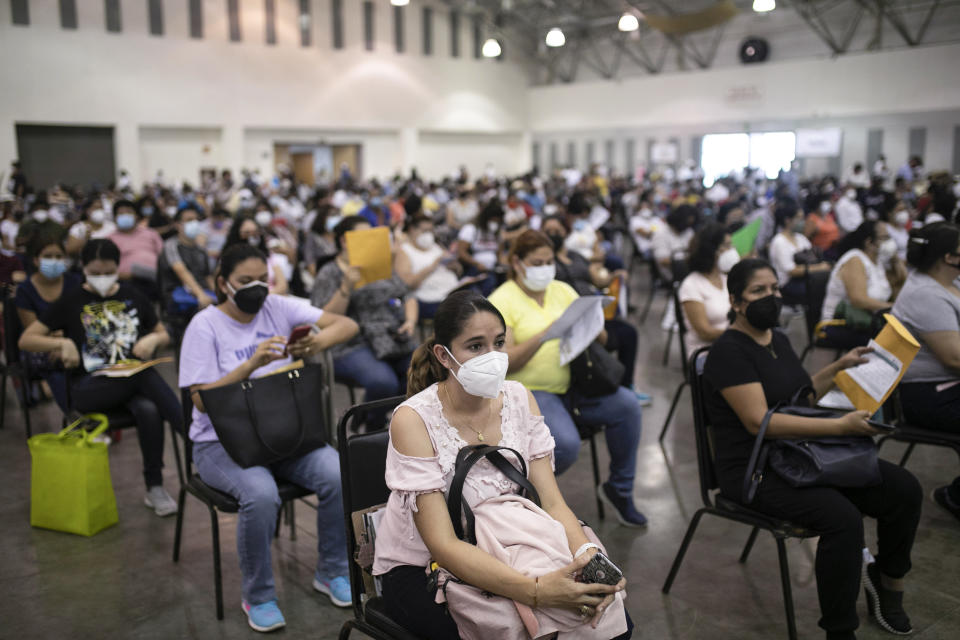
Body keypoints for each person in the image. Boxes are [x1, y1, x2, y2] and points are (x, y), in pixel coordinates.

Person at [373, 290, 631, 640]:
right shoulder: (413, 420)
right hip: (425, 563)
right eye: (476, 346)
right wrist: (536, 591)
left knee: (611, 619)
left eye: (498, 342)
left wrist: (588, 558)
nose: (493, 357)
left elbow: (552, 502)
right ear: (443, 356)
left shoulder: (519, 398)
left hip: (512, 538)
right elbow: (442, 544)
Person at [703, 258, 922, 640]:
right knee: (842, 519)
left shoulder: (778, 339)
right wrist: (838, 426)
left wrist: (839, 368)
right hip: (755, 470)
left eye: (774, 288)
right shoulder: (728, 352)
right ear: (736, 301)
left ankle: (887, 581)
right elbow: (760, 422)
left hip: (797, 454)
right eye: (759, 291)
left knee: (903, 488)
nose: (771, 297)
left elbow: (798, 395)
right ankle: (840, 631)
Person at [179, 243, 360, 632]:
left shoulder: (279, 307)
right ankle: (258, 595)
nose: (257, 287)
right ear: (223, 283)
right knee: (261, 495)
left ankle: (331, 572)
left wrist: (314, 343)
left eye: (263, 278)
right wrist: (251, 365)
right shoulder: (204, 326)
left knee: (335, 472)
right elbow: (199, 401)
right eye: (246, 281)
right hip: (219, 442)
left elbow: (346, 326)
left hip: (280, 432)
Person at [488, 230, 645, 527]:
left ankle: (619, 489)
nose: (545, 268)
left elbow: (599, 336)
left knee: (627, 407)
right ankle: (524, 496)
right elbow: (504, 362)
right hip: (533, 392)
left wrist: (593, 325)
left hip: (577, 382)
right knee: (566, 444)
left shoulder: (561, 289)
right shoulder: (501, 300)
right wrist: (546, 334)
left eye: (549, 261)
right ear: (518, 263)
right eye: (537, 262)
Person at [19, 239, 182, 517]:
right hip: (88, 388)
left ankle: (154, 487)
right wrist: (61, 344)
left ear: (118, 268)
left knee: (150, 408)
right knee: (143, 375)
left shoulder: (132, 295)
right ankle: (193, 433)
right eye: (96, 272)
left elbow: (163, 332)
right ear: (84, 269)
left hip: (131, 386)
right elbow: (27, 339)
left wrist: (154, 339)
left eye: (108, 272)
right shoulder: (71, 300)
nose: (102, 278)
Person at [311, 216, 419, 429]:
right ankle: (373, 425)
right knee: (383, 382)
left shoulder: (379, 266)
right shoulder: (330, 273)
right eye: (366, 235)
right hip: (351, 343)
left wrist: (410, 320)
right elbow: (324, 320)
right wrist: (346, 288)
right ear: (345, 241)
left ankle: (373, 414)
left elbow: (407, 294)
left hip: (389, 336)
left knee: (422, 371)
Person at [892, 222, 960, 522]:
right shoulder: (926, 294)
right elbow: (954, 357)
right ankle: (956, 498)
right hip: (925, 394)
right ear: (949, 257)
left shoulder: (950, 283)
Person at [542, 215, 647, 404]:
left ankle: (626, 384)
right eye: (548, 231)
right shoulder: (547, 264)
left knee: (629, 333)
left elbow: (597, 279)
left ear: (565, 231)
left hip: (594, 311)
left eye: (557, 230)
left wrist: (615, 275)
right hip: (572, 319)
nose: (554, 235)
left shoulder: (575, 256)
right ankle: (608, 383)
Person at [13, 227, 81, 409]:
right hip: (41, 346)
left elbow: (85, 317)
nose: (54, 261)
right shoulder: (26, 290)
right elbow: (32, 330)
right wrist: (58, 342)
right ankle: (75, 415)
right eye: (48, 256)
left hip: (74, 339)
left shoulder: (76, 282)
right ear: (35, 260)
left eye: (59, 256)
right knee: (56, 366)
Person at [821, 221, 904, 348]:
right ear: (869, 242)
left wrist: (897, 263)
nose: (889, 242)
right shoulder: (855, 259)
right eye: (885, 238)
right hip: (841, 323)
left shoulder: (878, 260)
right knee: (896, 342)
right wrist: (892, 308)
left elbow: (895, 288)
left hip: (866, 320)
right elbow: (858, 300)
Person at [678, 222, 738, 353]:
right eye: (727, 246)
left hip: (732, 345)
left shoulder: (726, 279)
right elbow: (705, 332)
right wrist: (741, 334)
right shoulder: (691, 285)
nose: (732, 250)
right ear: (712, 250)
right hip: (706, 352)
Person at [395, 213, 461, 320]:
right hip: (428, 299)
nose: (428, 235)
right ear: (412, 230)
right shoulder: (404, 251)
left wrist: (454, 266)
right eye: (425, 231)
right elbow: (407, 285)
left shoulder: (435, 247)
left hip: (451, 292)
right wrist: (433, 266)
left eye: (431, 231)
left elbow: (458, 270)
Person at [768, 200, 832, 304]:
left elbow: (813, 255)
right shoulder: (779, 242)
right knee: (821, 287)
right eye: (799, 218)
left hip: (805, 277)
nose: (803, 222)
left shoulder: (800, 237)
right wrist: (819, 268)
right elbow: (792, 271)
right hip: (788, 284)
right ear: (788, 220)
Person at [160, 205, 215, 313]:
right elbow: (181, 271)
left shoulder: (201, 249)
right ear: (178, 225)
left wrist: (219, 294)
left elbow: (208, 276)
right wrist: (200, 294)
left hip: (203, 292)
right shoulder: (171, 245)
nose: (194, 223)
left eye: (196, 220)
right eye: (189, 220)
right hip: (179, 294)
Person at [108, 199, 164, 300]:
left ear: (136, 216)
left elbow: (163, 256)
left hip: (154, 279)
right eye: (121, 213)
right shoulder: (109, 239)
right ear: (115, 218)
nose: (125, 215)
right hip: (126, 282)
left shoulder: (150, 233)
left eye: (129, 212)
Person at [224, 213, 288, 295]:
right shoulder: (228, 258)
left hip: (270, 298)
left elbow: (282, 285)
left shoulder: (268, 257)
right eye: (247, 233)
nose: (251, 237)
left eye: (255, 233)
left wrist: (263, 296)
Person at [650, 204, 696, 281]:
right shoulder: (660, 233)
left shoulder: (688, 231)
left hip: (690, 269)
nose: (689, 226)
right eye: (687, 223)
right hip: (672, 273)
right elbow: (663, 261)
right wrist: (688, 261)